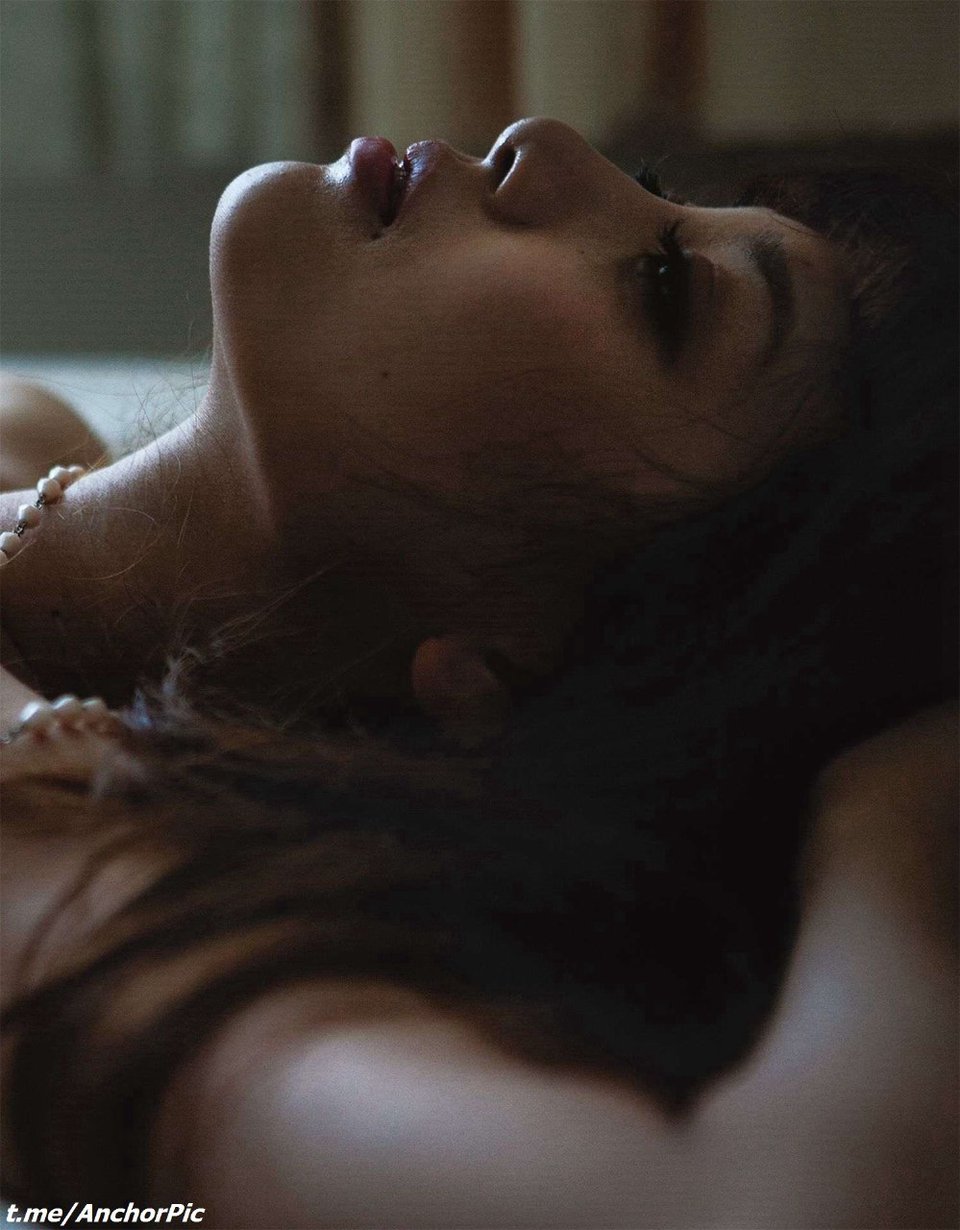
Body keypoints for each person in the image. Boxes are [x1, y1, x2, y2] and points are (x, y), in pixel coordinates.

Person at [1, 118, 956, 1227]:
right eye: (655, 191)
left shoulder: (49, 862)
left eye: (663, 288)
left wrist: (892, 803)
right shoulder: (31, 427)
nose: (543, 144)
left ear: (527, 658)